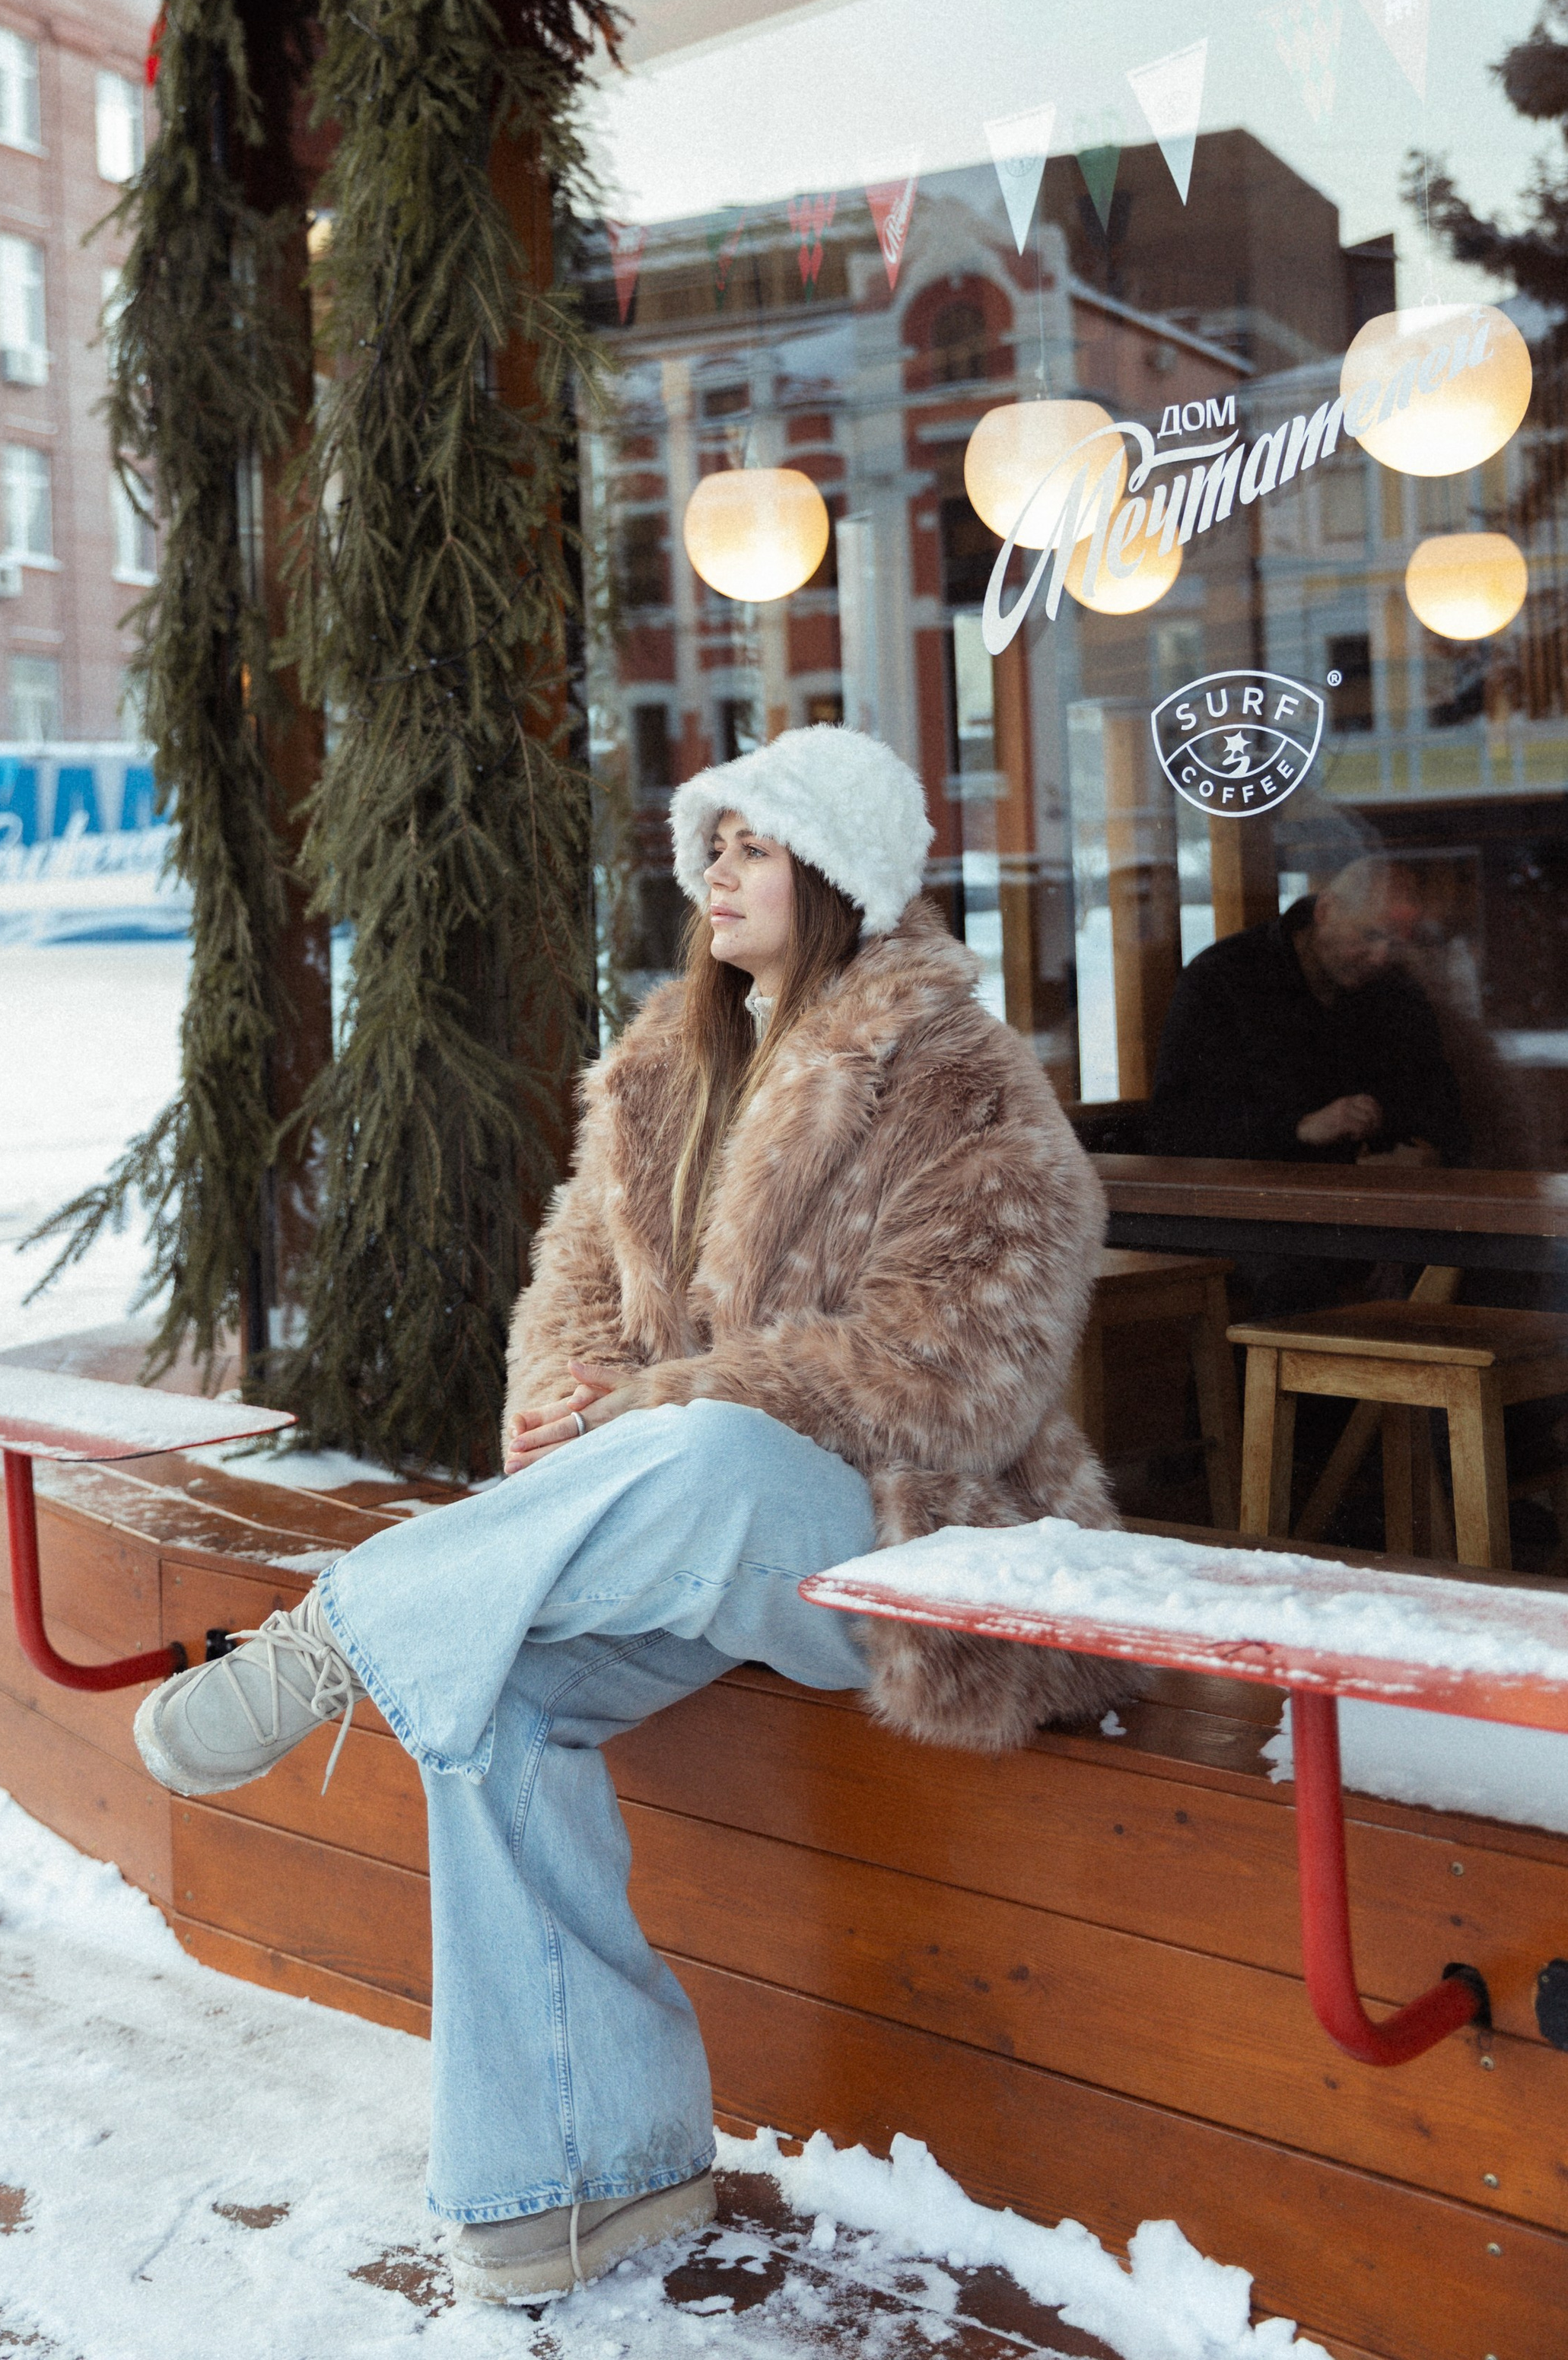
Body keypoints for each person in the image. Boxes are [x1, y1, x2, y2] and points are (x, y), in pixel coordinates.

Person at [131, 726, 1122, 2304]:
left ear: (841, 876)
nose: (713, 876)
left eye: (751, 847)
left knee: (717, 1447)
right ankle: (577, 2183)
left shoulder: (957, 1079)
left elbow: (966, 1370)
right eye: (707, 848)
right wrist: (563, 1394)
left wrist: (667, 1404)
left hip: (899, 1538)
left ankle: (341, 1632)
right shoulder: (662, 1070)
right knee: (500, 1694)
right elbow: (575, 1295)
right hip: (685, 1535)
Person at [1147, 856, 1468, 1172]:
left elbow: (1442, 1109)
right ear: (1325, 911)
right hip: (1258, 1212)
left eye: (1396, 945)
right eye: (1369, 935)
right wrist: (1299, 1129)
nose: (1380, 958)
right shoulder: (1224, 979)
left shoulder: (1397, 992)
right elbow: (1176, 1129)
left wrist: (1427, 1153)